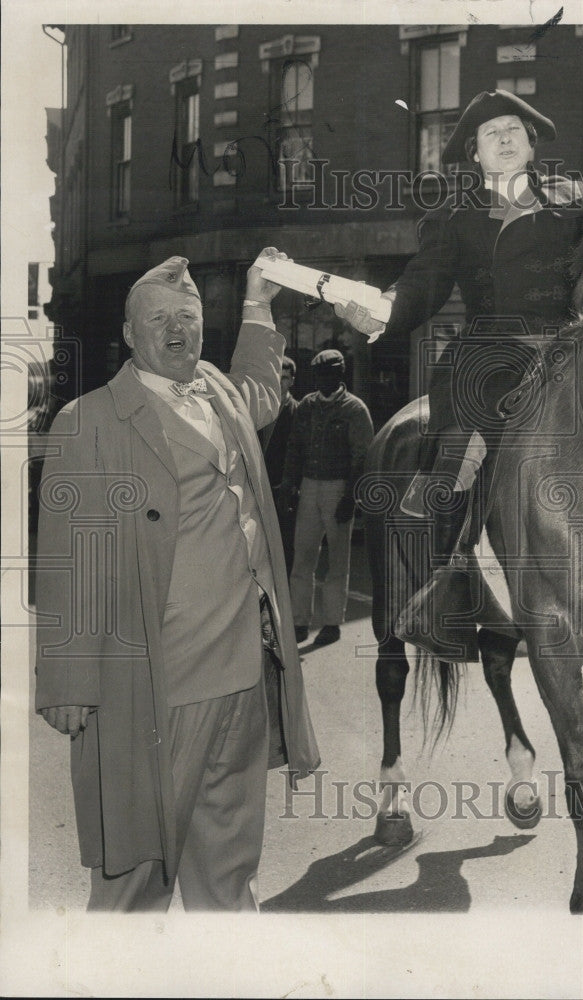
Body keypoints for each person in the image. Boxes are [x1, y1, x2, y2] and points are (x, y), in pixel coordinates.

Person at [35, 253, 320, 912]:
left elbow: (258, 388)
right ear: (129, 336)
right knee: (133, 882)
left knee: (228, 874)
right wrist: (70, 681)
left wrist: (257, 303)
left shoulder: (217, 389)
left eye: (187, 318)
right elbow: (68, 560)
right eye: (158, 320)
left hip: (243, 676)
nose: (175, 332)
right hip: (155, 686)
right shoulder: (90, 422)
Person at [337, 89, 583, 654]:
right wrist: (378, 310)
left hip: (570, 354)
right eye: (490, 133)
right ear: (474, 154)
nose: (504, 137)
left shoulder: (578, 201)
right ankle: (446, 595)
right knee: (455, 469)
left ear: (530, 143)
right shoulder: (453, 217)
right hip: (491, 362)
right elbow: (421, 284)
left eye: (513, 129)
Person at [280, 349, 374, 647]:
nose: (323, 379)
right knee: (303, 558)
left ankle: (332, 622)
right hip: (309, 487)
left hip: (338, 489)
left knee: (337, 562)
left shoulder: (355, 410)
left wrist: (351, 497)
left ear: (340, 374)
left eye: (329, 374)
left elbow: (363, 457)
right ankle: (299, 621)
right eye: (318, 374)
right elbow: (294, 449)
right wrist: (289, 487)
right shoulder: (307, 405)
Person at [258, 355, 299, 574]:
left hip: (282, 488)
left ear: (291, 381)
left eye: (285, 378)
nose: (280, 382)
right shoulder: (260, 408)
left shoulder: (298, 411)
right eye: (276, 377)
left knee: (283, 546)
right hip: (259, 486)